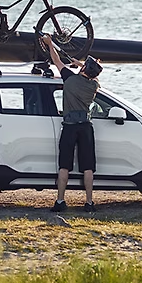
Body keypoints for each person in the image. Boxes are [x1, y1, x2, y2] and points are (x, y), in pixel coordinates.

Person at [41, 35, 103, 213]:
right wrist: (80, 65)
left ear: (84, 68)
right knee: (88, 166)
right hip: (85, 127)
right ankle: (89, 203)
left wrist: (49, 44)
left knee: (64, 166)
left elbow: (56, 60)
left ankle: (60, 201)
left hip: (69, 127)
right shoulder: (93, 86)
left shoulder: (69, 79)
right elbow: (94, 77)